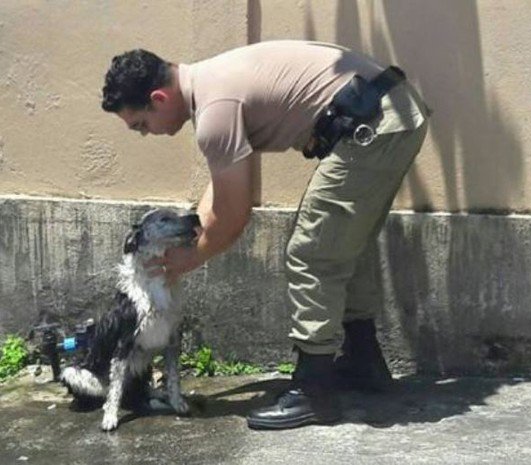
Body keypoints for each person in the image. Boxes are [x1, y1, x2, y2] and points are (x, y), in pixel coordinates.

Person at [101, 40, 429, 430]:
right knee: (341, 243)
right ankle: (362, 362)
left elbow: (234, 215)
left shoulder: (214, 112)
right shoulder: (211, 83)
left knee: (312, 252)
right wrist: (190, 237)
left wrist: (189, 259)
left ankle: (314, 391)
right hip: (390, 112)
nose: (145, 134)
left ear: (158, 99)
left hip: (373, 124)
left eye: (141, 125)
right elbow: (224, 190)